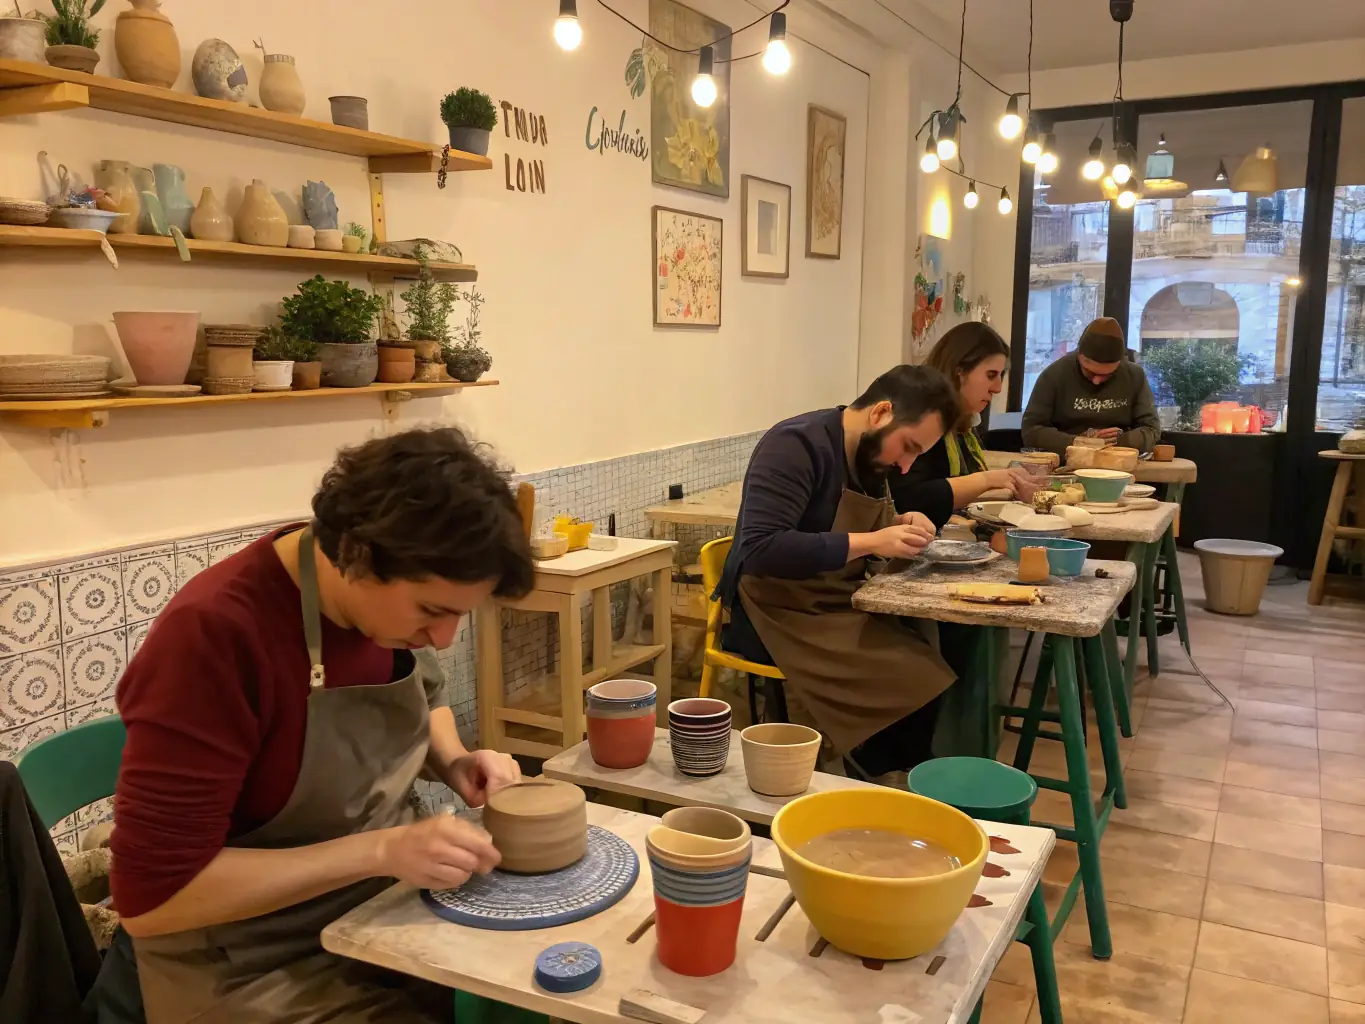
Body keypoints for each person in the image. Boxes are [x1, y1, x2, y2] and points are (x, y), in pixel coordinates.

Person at [109, 427, 535, 1024]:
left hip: (380, 907)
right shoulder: (214, 637)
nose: (444, 638)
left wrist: (456, 759)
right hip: (247, 959)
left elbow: (426, 696)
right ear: (356, 557)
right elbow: (152, 902)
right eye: (433, 612)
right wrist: (382, 849)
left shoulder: (385, 611)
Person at [715, 365, 961, 785]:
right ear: (881, 413)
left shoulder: (870, 457)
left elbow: (864, 528)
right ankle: (869, 782)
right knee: (908, 675)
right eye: (908, 447)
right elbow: (760, 549)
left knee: (937, 654)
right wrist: (871, 542)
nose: (906, 466)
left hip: (832, 601)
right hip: (772, 609)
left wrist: (902, 522)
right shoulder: (794, 445)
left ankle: (895, 780)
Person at [890, 322, 1038, 526]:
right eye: (991, 375)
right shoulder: (922, 419)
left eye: (1001, 376)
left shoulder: (965, 425)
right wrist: (987, 480)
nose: (997, 388)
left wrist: (1009, 481)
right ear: (959, 371)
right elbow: (909, 497)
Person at [1021, 316, 1162, 458]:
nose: (1096, 381)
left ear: (1119, 363)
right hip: (1068, 460)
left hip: (1120, 460)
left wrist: (1117, 441)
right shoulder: (1054, 375)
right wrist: (1077, 442)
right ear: (1079, 355)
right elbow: (1031, 430)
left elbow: (1151, 430)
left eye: (1107, 375)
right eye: (1090, 372)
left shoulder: (1134, 376)